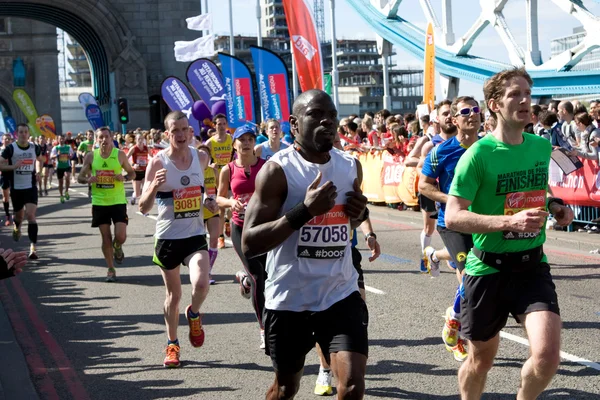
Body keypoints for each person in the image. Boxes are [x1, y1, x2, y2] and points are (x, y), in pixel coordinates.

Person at [445, 67, 574, 400]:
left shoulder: (539, 147)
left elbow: (538, 191)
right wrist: (508, 223)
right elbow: (454, 216)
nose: (524, 100)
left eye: (527, 94)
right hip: (488, 270)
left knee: (546, 358)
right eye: (514, 94)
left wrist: (557, 206)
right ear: (494, 105)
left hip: (531, 266)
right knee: (479, 362)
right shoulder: (477, 156)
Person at [242, 89, 369, 399]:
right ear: (294, 124)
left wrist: (358, 214)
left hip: (339, 292)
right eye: (315, 114)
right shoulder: (277, 170)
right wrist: (303, 211)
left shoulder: (350, 166)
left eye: (333, 115)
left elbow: (346, 223)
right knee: (286, 388)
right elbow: (249, 243)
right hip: (289, 298)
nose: (327, 120)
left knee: (352, 386)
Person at [139, 111, 218, 368]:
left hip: (195, 234)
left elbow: (206, 188)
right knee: (173, 296)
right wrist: (152, 188)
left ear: (191, 132)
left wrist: (209, 199)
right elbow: (142, 207)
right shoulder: (157, 163)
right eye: (176, 131)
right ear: (167, 134)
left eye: (185, 129)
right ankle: (172, 344)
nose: (181, 135)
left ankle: (194, 313)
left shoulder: (201, 157)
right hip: (167, 238)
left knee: (202, 283)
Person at [419, 96, 481, 363]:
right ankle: (455, 327)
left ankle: (433, 256)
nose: (473, 114)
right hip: (452, 222)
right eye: (466, 111)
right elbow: (424, 186)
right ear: (455, 120)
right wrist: (451, 200)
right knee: (469, 276)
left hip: (482, 221)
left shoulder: (490, 146)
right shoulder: (440, 151)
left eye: (476, 109)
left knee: (483, 276)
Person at [217, 124, 267, 348]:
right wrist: (231, 202)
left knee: (267, 274)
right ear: (234, 144)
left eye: (250, 139)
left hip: (264, 226)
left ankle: (245, 280)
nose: (246, 142)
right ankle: (264, 329)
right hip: (240, 228)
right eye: (242, 139)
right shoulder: (227, 169)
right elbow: (218, 198)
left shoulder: (266, 167)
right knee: (259, 277)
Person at [78, 127, 136, 282]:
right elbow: (80, 177)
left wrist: (123, 177)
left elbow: (132, 173)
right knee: (106, 238)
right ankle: (110, 269)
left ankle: (118, 246)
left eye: (106, 137)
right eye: (100, 137)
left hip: (117, 200)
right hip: (99, 202)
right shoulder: (91, 156)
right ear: (97, 140)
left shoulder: (120, 155)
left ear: (111, 138)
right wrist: (87, 180)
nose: (104, 140)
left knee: (120, 236)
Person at [0, 124, 45, 259]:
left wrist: (38, 171)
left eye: (26, 132)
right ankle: (17, 226)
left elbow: (40, 159)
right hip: (16, 188)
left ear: (28, 133)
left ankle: (33, 248)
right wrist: (14, 166)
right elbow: (0, 163)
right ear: (17, 134)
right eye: (21, 132)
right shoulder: (10, 148)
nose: (23, 134)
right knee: (19, 217)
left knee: (31, 216)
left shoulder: (34, 147)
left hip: (30, 187)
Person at [206, 113, 233, 249]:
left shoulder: (231, 139)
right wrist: (210, 165)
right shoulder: (210, 142)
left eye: (223, 124)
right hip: (217, 178)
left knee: (232, 206)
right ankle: (221, 237)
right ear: (214, 125)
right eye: (218, 124)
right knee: (221, 209)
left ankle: (228, 221)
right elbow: (203, 158)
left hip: (230, 176)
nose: (221, 126)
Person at [198, 145, 220, 285]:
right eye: (201, 156)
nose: (204, 158)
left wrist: (217, 200)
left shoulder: (213, 171)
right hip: (199, 211)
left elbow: (220, 187)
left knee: (214, 240)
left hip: (213, 209)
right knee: (201, 244)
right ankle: (200, 271)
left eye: (206, 155)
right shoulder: (195, 171)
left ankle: (208, 271)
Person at [51, 134, 74, 203]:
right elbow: (51, 157)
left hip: (67, 166)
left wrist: (70, 156)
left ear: (64, 139)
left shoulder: (68, 147)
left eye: (63, 138)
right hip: (59, 167)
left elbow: (72, 154)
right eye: (60, 139)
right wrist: (57, 155)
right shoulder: (55, 148)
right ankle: (61, 195)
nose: (61, 140)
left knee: (67, 177)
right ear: (58, 140)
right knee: (60, 182)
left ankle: (66, 191)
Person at [127, 133, 149, 205]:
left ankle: (143, 207)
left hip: (145, 171)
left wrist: (150, 162)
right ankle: (133, 196)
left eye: (141, 139)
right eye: (138, 139)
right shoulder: (133, 149)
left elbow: (152, 157)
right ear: (136, 140)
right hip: (136, 172)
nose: (140, 140)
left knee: (145, 190)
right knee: (137, 193)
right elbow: (125, 159)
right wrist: (133, 164)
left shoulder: (146, 148)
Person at [1, 133, 13, 226]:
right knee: (5, 197)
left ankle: (16, 213)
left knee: (15, 194)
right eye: (6, 139)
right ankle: (7, 215)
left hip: (13, 174)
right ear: (2, 140)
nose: (7, 140)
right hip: (3, 175)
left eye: (9, 139)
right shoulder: (0, 150)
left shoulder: (14, 150)